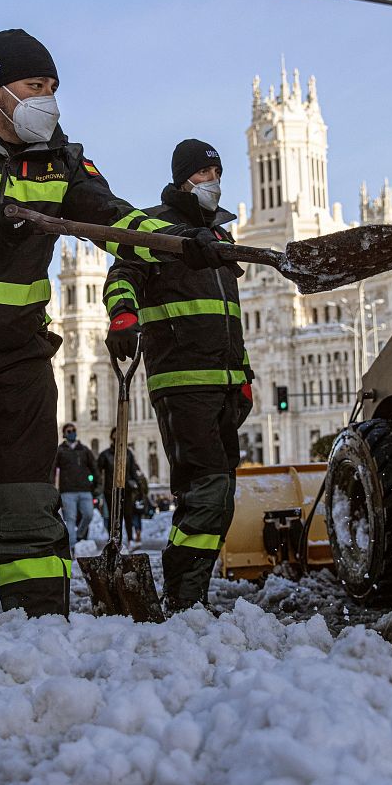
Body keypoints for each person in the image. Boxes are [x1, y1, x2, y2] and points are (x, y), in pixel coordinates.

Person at [0, 29, 229, 617]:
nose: (47, 99)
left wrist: (182, 242)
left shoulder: (62, 161)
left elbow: (114, 218)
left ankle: (39, 623)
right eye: (34, 85)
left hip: (15, 356)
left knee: (29, 503)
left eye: (52, 86)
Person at [103, 139, 252, 611]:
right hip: (182, 381)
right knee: (207, 492)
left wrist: (243, 373)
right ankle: (185, 597)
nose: (213, 182)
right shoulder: (157, 229)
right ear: (183, 178)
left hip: (224, 383)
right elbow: (121, 275)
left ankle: (190, 594)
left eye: (217, 173)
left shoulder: (221, 238)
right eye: (204, 173)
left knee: (219, 495)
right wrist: (123, 315)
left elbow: (229, 318)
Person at [95, 428, 143, 546]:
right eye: (115, 435)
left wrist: (139, 486)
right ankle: (113, 541)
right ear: (111, 437)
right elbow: (97, 471)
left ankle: (130, 539)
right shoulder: (105, 454)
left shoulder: (128, 453)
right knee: (113, 516)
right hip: (110, 490)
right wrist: (96, 485)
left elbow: (133, 471)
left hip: (126, 489)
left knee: (128, 514)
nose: (117, 437)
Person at [55, 423, 97, 550]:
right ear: (64, 434)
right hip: (67, 491)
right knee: (70, 519)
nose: (72, 433)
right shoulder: (60, 451)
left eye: (73, 430)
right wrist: (52, 487)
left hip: (85, 489)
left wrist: (97, 485)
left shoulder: (84, 450)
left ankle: (79, 535)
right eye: (69, 431)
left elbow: (94, 468)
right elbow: (53, 470)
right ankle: (72, 547)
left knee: (89, 514)